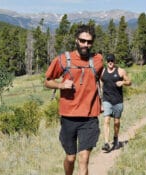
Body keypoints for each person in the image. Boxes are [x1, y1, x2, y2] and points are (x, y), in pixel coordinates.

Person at [44, 24, 103, 175]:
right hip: (69, 117)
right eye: (82, 41)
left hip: (89, 117)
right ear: (76, 40)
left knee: (84, 159)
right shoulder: (63, 60)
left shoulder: (97, 60)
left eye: (89, 42)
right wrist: (61, 85)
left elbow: (100, 79)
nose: (86, 44)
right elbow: (47, 81)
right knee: (71, 158)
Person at [101, 54, 131, 152]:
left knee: (116, 122)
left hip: (117, 100)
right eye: (109, 60)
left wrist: (123, 82)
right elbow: (100, 82)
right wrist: (100, 96)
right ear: (106, 62)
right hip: (107, 100)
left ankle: (116, 138)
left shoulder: (120, 71)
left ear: (114, 61)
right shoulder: (103, 72)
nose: (110, 62)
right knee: (106, 120)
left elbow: (129, 82)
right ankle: (106, 143)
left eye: (112, 60)